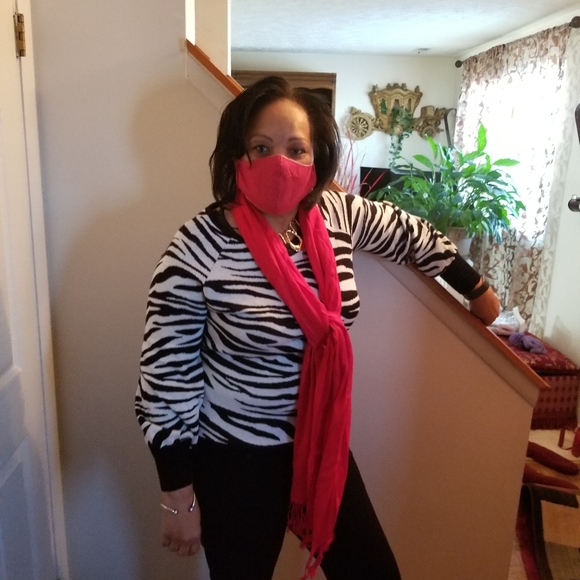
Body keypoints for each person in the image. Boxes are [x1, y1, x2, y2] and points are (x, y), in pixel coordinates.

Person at [135, 75, 500, 580]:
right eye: (261, 147)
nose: (280, 162)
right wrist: (177, 498)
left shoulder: (335, 213)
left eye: (296, 149)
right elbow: (164, 381)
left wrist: (476, 288)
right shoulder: (198, 245)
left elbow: (408, 233)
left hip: (322, 445)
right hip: (235, 459)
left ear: (316, 156)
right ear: (237, 154)